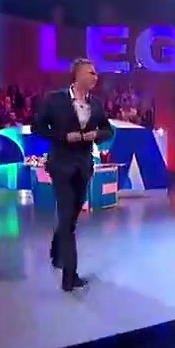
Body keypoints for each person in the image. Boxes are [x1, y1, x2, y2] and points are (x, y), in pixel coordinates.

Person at [33, 58, 113, 291]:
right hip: (61, 165)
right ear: (77, 75)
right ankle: (70, 276)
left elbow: (108, 130)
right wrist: (63, 137)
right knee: (68, 218)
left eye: (96, 73)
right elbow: (38, 127)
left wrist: (96, 135)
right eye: (91, 72)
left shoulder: (96, 104)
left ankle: (56, 251)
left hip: (83, 166)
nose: (96, 76)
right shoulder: (55, 99)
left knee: (71, 217)